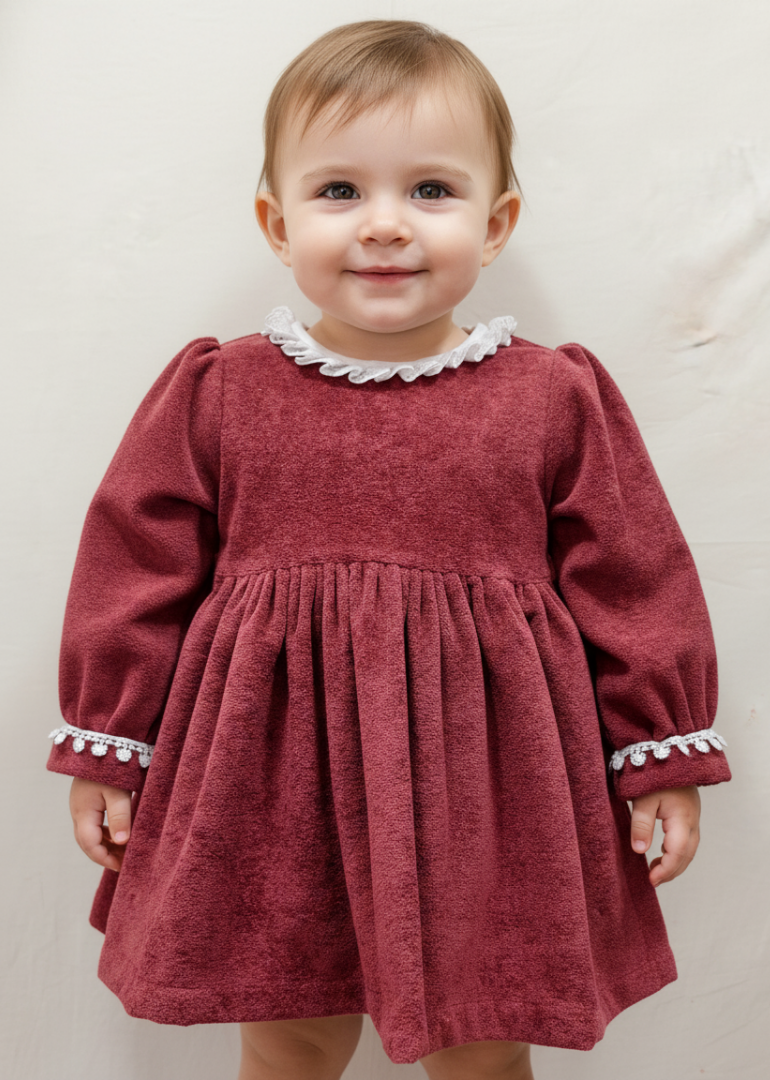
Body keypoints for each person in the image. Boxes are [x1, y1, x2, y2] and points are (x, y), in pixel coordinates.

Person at [47, 19, 731, 1080]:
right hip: (269, 782)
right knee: (287, 1041)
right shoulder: (220, 389)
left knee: (481, 1042)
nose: (382, 227)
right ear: (274, 221)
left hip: (488, 784)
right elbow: (136, 562)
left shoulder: (551, 396)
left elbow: (633, 572)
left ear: (496, 220)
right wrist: (108, 739)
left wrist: (659, 753)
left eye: (429, 191)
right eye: (337, 193)